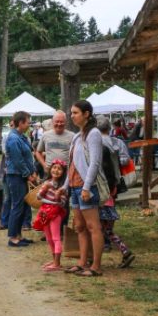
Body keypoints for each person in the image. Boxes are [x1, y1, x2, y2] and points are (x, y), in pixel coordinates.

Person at [63, 100, 106, 277]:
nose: (72, 116)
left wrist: (87, 187)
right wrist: (65, 186)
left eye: (75, 113)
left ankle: (96, 266)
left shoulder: (93, 134)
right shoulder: (76, 135)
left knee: (92, 226)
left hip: (86, 186)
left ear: (86, 114)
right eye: (71, 113)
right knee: (79, 226)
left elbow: (95, 163)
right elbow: (72, 163)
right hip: (74, 186)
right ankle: (82, 262)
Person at [97, 116, 135, 268]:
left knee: (97, 225)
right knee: (107, 226)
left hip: (100, 187)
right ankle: (123, 250)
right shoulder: (117, 142)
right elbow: (126, 160)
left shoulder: (95, 143)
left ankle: (94, 255)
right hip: (113, 184)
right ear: (109, 128)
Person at [5, 111, 38, 247]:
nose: (29, 124)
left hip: (21, 176)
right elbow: (18, 160)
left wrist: (33, 171)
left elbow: (28, 155)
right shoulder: (13, 138)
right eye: (27, 122)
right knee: (18, 205)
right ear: (20, 122)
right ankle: (13, 237)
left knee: (23, 205)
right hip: (16, 176)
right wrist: (28, 174)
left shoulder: (21, 136)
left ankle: (18, 235)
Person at [33, 160, 68, 271]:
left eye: (59, 169)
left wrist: (57, 196)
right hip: (44, 212)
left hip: (55, 213)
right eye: (54, 167)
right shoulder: (47, 182)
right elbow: (38, 197)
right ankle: (54, 261)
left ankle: (57, 263)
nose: (56, 170)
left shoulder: (63, 187)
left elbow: (62, 203)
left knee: (56, 238)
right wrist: (45, 189)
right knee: (49, 238)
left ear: (63, 172)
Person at [35, 111, 74, 176]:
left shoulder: (72, 136)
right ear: (53, 122)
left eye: (61, 121)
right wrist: (44, 165)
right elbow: (38, 152)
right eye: (57, 121)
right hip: (49, 172)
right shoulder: (45, 135)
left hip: (66, 173)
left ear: (65, 122)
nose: (59, 124)